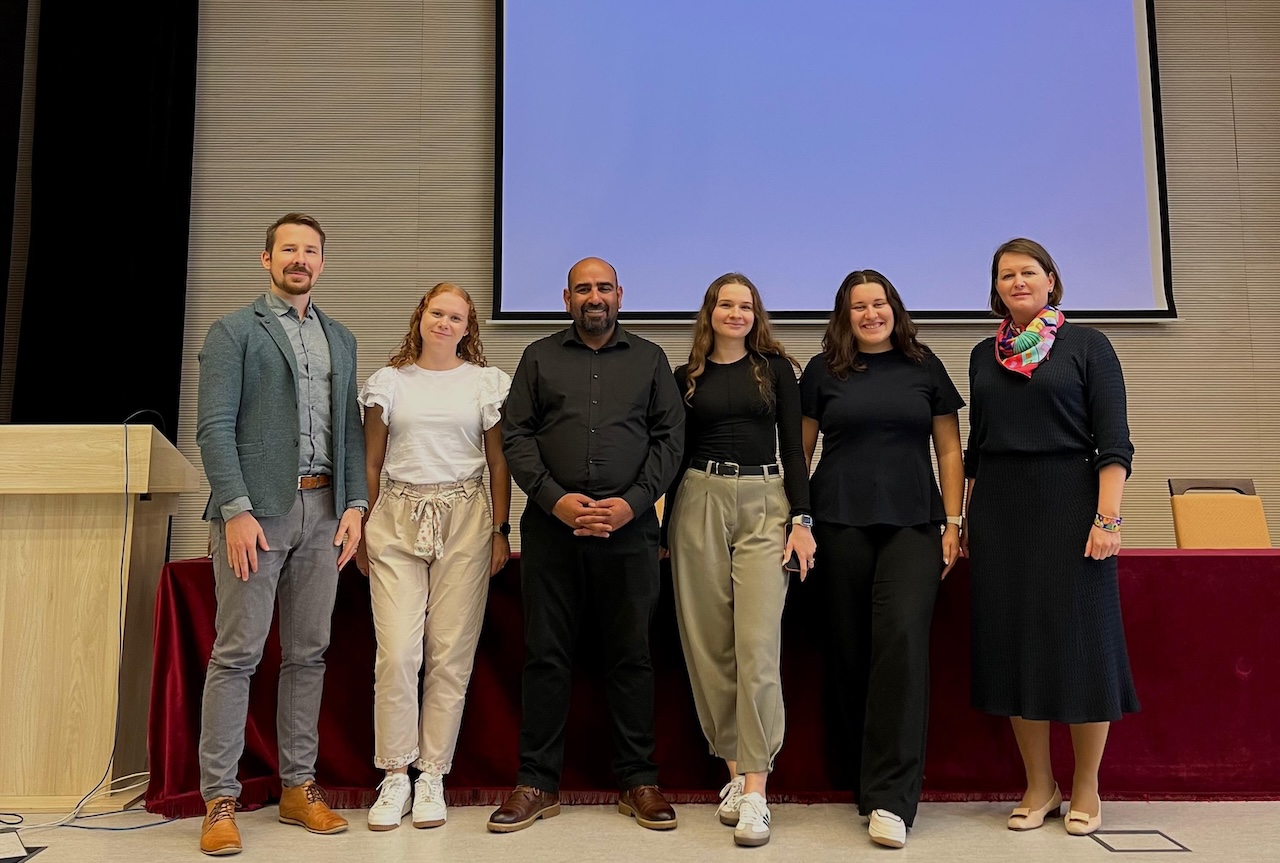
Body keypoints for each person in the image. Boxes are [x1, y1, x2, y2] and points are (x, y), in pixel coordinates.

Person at [489, 256, 685, 833]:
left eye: (603, 287)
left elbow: (671, 441)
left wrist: (632, 503)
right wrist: (554, 499)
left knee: (631, 655)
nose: (593, 297)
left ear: (620, 294)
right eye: (582, 289)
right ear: (566, 297)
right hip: (553, 531)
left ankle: (638, 781)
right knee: (546, 655)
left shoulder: (651, 360)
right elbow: (515, 435)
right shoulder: (538, 357)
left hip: (630, 532)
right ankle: (536, 784)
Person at [194, 212, 368, 856]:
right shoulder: (234, 330)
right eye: (289, 249)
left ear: (322, 262)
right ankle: (219, 798)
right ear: (265, 259)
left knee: (308, 653)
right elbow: (213, 426)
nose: (301, 259)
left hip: (324, 513)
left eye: (311, 251)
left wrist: (354, 505)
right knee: (236, 654)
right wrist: (236, 509)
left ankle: (298, 787)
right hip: (255, 517)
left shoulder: (342, 338)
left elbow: (351, 433)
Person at [963, 238, 1138, 837]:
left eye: (1028, 272)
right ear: (996, 288)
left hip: (1071, 506)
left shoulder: (1088, 345)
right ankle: (1040, 784)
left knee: (1083, 646)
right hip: (1000, 514)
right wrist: (962, 520)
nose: (1017, 282)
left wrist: (1107, 518)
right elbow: (976, 450)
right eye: (1006, 274)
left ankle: (1087, 784)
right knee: (1017, 649)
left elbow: (1114, 441)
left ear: (1051, 282)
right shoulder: (984, 356)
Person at [799, 269, 965, 849]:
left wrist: (954, 520)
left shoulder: (925, 367)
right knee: (848, 649)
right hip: (837, 523)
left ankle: (893, 800)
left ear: (894, 307)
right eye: (858, 307)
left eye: (879, 303)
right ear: (843, 316)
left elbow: (948, 447)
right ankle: (859, 781)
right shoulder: (823, 372)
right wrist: (797, 521)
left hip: (915, 524)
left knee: (901, 642)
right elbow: (800, 452)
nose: (871, 314)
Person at [661, 273, 814, 847]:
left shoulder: (775, 369)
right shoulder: (686, 378)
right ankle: (733, 774)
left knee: (755, 646)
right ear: (710, 312)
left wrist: (802, 519)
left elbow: (796, 450)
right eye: (726, 304)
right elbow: (674, 457)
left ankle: (757, 791)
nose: (736, 313)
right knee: (708, 647)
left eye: (745, 306)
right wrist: (665, 526)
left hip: (764, 502)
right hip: (698, 499)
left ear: (756, 314)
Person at [356, 283, 512, 831]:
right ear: (420, 317)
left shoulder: (487, 384)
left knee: (450, 653)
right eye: (436, 313)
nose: (445, 323)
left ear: (469, 328)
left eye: (456, 317)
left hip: (467, 516)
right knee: (398, 651)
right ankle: (394, 774)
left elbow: (498, 464)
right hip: (395, 517)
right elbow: (371, 462)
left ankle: (431, 776)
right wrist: (363, 527)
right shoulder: (388, 383)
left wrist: (499, 529)